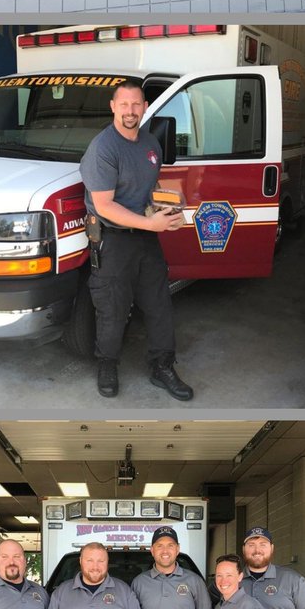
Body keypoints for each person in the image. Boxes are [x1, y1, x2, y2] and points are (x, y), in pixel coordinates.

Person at [80, 77, 193, 401]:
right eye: (124, 104)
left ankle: (163, 367)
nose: (130, 111)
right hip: (113, 241)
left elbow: (146, 195)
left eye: (136, 104)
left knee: (159, 305)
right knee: (113, 309)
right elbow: (104, 206)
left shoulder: (150, 145)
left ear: (144, 108)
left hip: (145, 238)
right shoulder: (103, 148)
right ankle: (107, 364)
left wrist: (168, 215)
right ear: (114, 107)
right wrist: (150, 223)